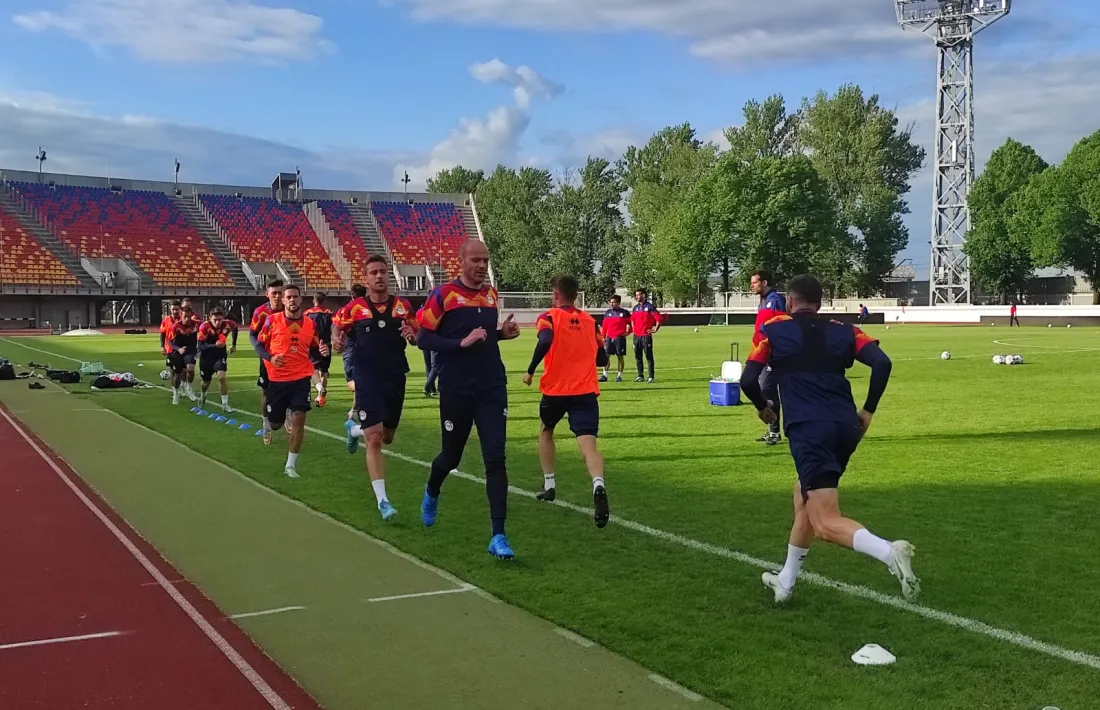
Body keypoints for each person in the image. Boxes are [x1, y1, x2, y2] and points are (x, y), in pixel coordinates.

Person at [739, 274, 919, 604]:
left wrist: (763, 407)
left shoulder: (772, 329)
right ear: (820, 304)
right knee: (803, 495)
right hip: (845, 426)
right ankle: (786, 582)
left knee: (824, 521)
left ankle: (888, 552)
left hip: (810, 428)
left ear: (789, 302)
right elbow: (882, 363)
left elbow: (748, 379)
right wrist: (868, 411)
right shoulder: (845, 330)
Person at [416, 239, 521, 559]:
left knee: (496, 459)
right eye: (476, 260)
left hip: (492, 386)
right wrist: (459, 343)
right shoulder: (443, 295)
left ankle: (498, 536)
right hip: (456, 388)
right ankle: (432, 490)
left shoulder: (491, 295)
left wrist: (501, 334)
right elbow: (423, 338)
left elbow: (484, 338)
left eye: (485, 260)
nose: (482, 265)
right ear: (460, 261)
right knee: (451, 458)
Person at [333, 255, 417, 522]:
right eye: (373, 272)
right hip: (367, 376)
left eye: (383, 271)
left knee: (387, 436)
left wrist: (414, 336)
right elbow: (337, 325)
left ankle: (353, 430)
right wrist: (336, 339)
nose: (379, 276)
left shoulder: (403, 306)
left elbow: (418, 334)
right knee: (376, 438)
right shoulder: (355, 307)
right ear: (366, 278)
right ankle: (383, 501)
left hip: (395, 376)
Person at [522, 275, 611, 528]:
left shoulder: (549, 317)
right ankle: (598, 484)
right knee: (588, 445)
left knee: (546, 430)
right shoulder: (590, 322)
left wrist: (530, 370)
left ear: (556, 295)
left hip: (556, 390)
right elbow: (602, 359)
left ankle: (549, 484)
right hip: (585, 391)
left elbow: (545, 340)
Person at [254, 284, 328, 476]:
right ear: (283, 300)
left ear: (300, 299)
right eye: (289, 297)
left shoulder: (311, 324)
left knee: (299, 419)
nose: (292, 300)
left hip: (300, 379)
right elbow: (260, 345)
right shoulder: (272, 321)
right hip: (277, 380)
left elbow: (313, 350)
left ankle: (290, 466)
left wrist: (322, 351)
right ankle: (271, 419)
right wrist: (270, 358)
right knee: (276, 425)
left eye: (295, 296)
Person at [750, 270, 787, 446]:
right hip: (765, 352)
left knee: (767, 390)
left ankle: (776, 432)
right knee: (768, 391)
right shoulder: (763, 301)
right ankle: (774, 432)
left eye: (755, 282)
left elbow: (781, 326)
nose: (752, 286)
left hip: (775, 354)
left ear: (764, 283)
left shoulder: (776, 300)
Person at [249, 279, 284, 438]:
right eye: (274, 293)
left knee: (290, 389)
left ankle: (288, 413)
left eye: (280, 293)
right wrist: (263, 354)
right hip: (267, 358)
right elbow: (252, 334)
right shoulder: (261, 312)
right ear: (267, 294)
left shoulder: (290, 309)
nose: (277, 296)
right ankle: (265, 424)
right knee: (267, 393)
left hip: (287, 357)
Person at [196, 308, 238, 411]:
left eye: (219, 319)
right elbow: (200, 346)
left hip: (220, 355)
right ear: (210, 318)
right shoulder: (204, 327)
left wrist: (234, 344)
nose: (217, 322)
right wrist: (214, 346)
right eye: (215, 320)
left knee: (222, 377)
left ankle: (225, 404)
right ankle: (203, 395)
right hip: (206, 357)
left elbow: (235, 328)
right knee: (205, 382)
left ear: (223, 318)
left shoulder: (228, 324)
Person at [304, 293, 334, 407]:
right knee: (324, 371)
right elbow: (334, 328)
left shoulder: (307, 313)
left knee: (314, 369)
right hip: (326, 345)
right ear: (324, 301)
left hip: (313, 345)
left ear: (314, 300)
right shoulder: (330, 313)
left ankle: (318, 389)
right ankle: (321, 398)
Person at [168, 306, 200, 405]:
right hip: (178, 352)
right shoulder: (176, 326)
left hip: (190, 351)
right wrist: (178, 349)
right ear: (181, 316)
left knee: (190, 369)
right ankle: (176, 393)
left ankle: (188, 387)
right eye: (185, 317)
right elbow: (170, 341)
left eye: (189, 316)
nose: (187, 319)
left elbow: (206, 328)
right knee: (177, 374)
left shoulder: (197, 324)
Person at [630, 288, 661, 383]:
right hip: (636, 336)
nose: (637, 296)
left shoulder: (650, 307)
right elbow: (632, 320)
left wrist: (655, 329)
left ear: (643, 295)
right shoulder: (635, 308)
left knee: (648, 356)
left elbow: (658, 318)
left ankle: (651, 377)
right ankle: (640, 375)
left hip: (646, 336)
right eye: (636, 295)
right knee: (638, 356)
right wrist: (634, 331)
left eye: (639, 294)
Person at [599, 295, 631, 383]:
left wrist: (627, 332)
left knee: (620, 357)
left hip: (619, 338)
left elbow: (631, 324)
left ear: (618, 303)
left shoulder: (624, 313)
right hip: (609, 338)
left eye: (614, 302)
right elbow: (605, 326)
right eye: (611, 302)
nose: (612, 304)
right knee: (606, 356)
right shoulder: (608, 313)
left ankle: (619, 376)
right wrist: (603, 337)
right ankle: (605, 375)